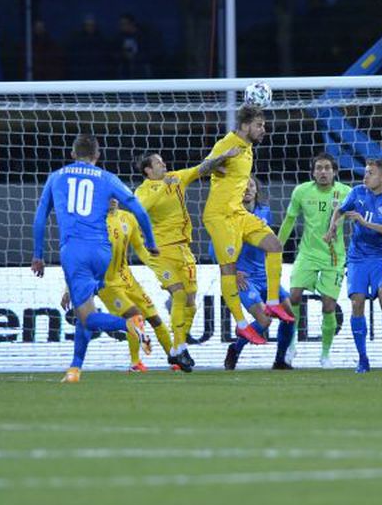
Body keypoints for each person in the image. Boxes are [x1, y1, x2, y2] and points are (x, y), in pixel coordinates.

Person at [31, 134, 159, 382]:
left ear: (72, 154)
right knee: (85, 310)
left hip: (74, 252)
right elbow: (139, 210)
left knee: (87, 317)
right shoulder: (107, 178)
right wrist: (151, 242)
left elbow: (40, 219)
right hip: (103, 253)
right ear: (97, 156)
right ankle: (74, 369)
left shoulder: (56, 177)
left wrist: (38, 255)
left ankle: (130, 324)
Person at [135, 146, 240, 372]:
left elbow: (200, 168)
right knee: (179, 294)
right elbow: (141, 210)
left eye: (163, 162)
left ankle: (178, 348)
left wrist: (223, 157)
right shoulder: (143, 191)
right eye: (159, 163)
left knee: (191, 302)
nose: (164, 165)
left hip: (183, 249)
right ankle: (178, 347)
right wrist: (163, 187)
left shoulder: (176, 178)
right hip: (158, 251)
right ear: (147, 170)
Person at [202, 105, 293, 348]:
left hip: (238, 213)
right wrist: (221, 158)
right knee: (228, 270)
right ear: (245, 126)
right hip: (220, 215)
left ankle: (273, 300)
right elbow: (204, 167)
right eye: (259, 125)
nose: (264, 130)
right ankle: (242, 324)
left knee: (274, 245)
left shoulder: (249, 148)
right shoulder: (227, 142)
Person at [61, 198, 174, 372]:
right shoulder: (92, 223)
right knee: (134, 317)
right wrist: (69, 288)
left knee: (154, 318)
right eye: (106, 197)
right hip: (107, 284)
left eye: (114, 196)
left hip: (129, 280)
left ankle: (175, 359)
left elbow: (141, 250)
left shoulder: (128, 218)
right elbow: (78, 258)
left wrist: (163, 272)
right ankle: (135, 363)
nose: (112, 200)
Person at [325, 158, 382, 373]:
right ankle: (362, 359)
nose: (365, 176)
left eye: (370, 173)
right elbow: (340, 210)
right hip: (358, 258)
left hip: (381, 257)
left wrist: (365, 223)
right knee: (356, 304)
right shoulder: (358, 192)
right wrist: (333, 225)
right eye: (366, 172)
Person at [277, 152, 352, 368]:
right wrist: (277, 246)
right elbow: (290, 219)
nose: (323, 172)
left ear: (334, 172)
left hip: (333, 257)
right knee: (294, 297)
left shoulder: (346, 193)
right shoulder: (301, 191)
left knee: (329, 306)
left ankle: (325, 355)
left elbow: (358, 219)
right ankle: (291, 346)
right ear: (313, 172)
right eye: (319, 168)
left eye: (327, 168)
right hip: (307, 254)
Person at [223, 177, 293, 370]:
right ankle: (235, 349)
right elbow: (216, 248)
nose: (247, 188)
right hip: (243, 277)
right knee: (264, 320)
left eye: (251, 185)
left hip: (264, 275)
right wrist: (233, 272)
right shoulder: (228, 216)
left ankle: (280, 360)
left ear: (256, 190)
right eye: (243, 185)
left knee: (289, 314)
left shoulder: (265, 212)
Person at [64, 14, 112, 79]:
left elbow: (106, 62)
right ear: (84, 26)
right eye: (87, 25)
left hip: (98, 77)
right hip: (81, 77)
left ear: (95, 26)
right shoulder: (77, 42)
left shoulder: (102, 42)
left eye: (92, 25)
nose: (90, 27)